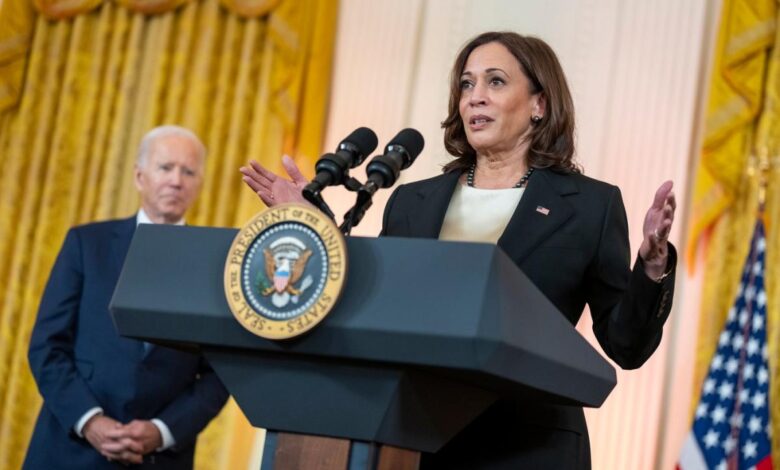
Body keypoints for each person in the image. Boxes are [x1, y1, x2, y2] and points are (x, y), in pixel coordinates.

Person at [240, 31, 676, 469]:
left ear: (539, 104)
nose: (475, 98)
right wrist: (312, 226)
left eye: (496, 82)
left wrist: (652, 267)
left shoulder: (589, 206)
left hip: (529, 447)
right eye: (467, 85)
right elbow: (373, 303)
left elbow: (625, 345)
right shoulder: (412, 202)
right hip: (415, 441)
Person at [25, 126, 229, 469]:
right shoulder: (87, 244)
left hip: (158, 458)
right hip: (69, 449)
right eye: (165, 168)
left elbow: (220, 373)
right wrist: (90, 421)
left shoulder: (217, 267)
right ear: (139, 176)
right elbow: (47, 346)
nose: (176, 180)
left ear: (199, 184)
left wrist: (161, 431)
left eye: (188, 171)